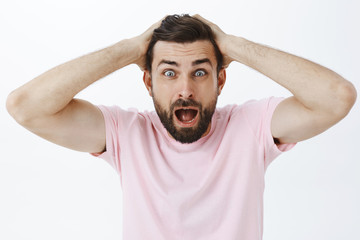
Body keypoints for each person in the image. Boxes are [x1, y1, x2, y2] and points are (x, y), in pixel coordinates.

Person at [6, 14, 356, 240]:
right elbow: (25, 107)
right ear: (148, 81)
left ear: (221, 80)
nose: (185, 89)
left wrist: (232, 45)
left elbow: (337, 97)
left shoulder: (250, 127)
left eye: (200, 72)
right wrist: (129, 49)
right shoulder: (127, 133)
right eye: (169, 73)